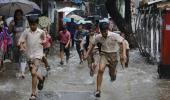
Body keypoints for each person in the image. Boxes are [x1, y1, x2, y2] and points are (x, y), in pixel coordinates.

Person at [85, 22, 126, 97]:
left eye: (105, 31)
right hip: (104, 54)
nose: (104, 33)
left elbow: (123, 42)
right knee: (100, 70)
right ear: (100, 30)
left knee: (112, 76)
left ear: (108, 30)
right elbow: (92, 45)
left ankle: (114, 74)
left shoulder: (114, 35)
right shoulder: (98, 37)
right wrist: (87, 54)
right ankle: (98, 90)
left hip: (113, 55)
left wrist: (123, 54)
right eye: (102, 32)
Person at [18, 15, 46, 99]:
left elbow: (45, 39)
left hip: (38, 55)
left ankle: (33, 93)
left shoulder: (41, 32)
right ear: (29, 24)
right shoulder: (26, 31)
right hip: (29, 55)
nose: (32, 26)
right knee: (33, 73)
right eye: (31, 24)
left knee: (33, 72)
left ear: (37, 24)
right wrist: (21, 47)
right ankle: (41, 78)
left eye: (34, 24)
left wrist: (43, 42)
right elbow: (20, 40)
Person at [9, 9, 28, 78]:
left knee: (23, 56)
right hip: (15, 42)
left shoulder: (25, 21)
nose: (18, 16)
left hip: (23, 42)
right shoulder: (12, 22)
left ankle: (22, 72)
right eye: (17, 14)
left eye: (20, 14)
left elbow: (27, 31)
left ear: (22, 15)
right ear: (15, 15)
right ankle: (18, 71)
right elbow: (9, 32)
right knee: (16, 57)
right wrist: (11, 25)